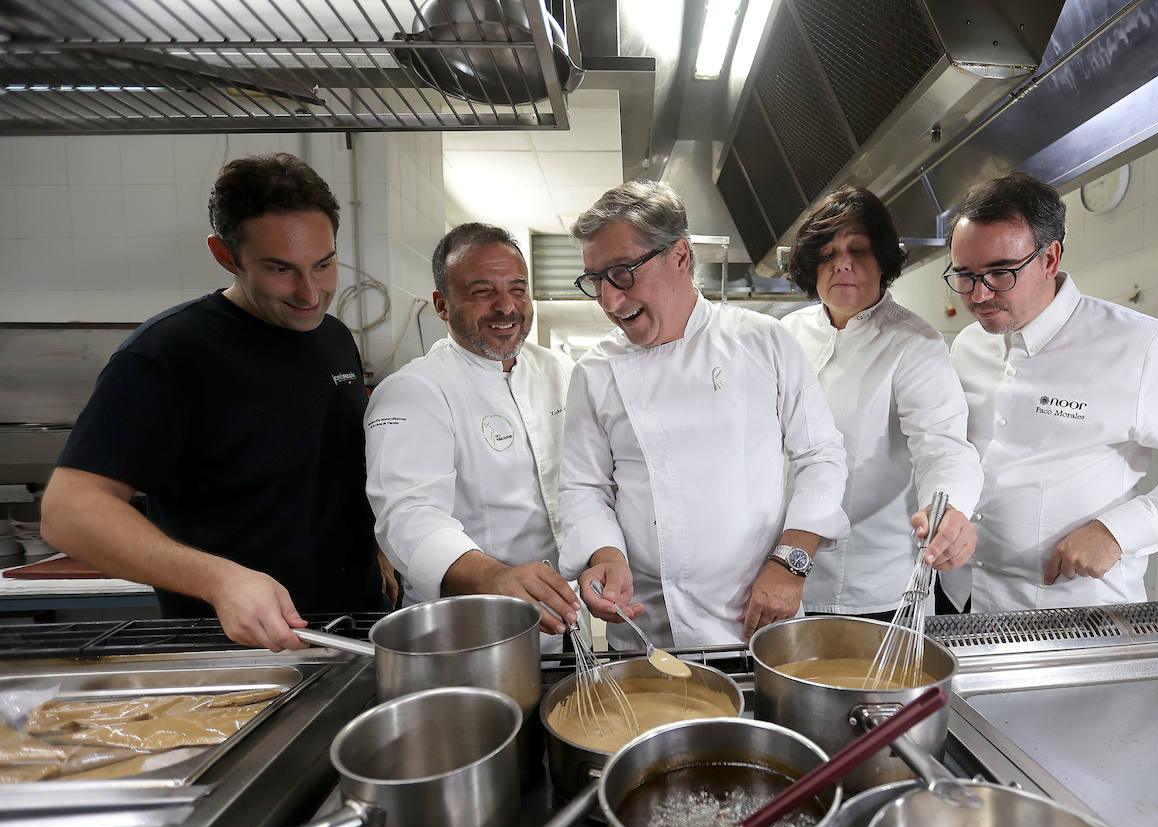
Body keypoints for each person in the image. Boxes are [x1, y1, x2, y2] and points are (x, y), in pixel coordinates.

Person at [41, 152, 392, 650]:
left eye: (324, 264)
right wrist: (220, 580)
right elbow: (68, 512)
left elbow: (331, 466)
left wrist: (376, 544)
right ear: (225, 255)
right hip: (236, 647)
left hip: (354, 630)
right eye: (280, 269)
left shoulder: (333, 337)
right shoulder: (168, 354)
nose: (311, 293)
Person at [939, 172, 1158, 613]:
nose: (979, 295)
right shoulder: (969, 344)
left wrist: (1119, 532)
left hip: (1070, 610)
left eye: (1000, 273)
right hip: (961, 596)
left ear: (1049, 258)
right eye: (965, 275)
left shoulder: (1141, 347)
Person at [558, 180, 850, 648]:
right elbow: (584, 487)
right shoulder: (595, 372)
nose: (608, 301)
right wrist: (604, 554)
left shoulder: (762, 342)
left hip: (755, 615)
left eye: (622, 273)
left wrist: (792, 562)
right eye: (595, 280)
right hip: (643, 623)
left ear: (679, 257)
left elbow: (820, 456)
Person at [364, 223, 584, 642]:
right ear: (442, 306)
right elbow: (409, 515)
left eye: (518, 289)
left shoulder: (561, 372)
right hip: (465, 633)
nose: (506, 307)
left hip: (564, 621)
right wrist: (496, 577)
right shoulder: (413, 391)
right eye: (483, 292)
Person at [781, 186, 982, 620]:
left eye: (858, 250)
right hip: (781, 573)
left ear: (884, 260)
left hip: (875, 587)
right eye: (827, 254)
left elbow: (942, 446)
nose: (842, 264)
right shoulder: (786, 334)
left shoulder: (913, 342)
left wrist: (948, 509)